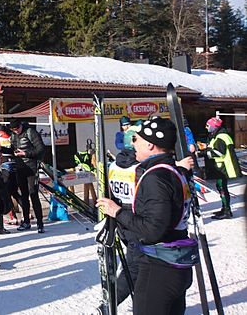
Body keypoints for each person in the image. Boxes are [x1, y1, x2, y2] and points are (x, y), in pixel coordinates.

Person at [98, 117, 195, 314]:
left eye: (136, 139)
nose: (133, 145)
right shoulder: (172, 171)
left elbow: (152, 229)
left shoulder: (156, 177)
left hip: (159, 267)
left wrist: (116, 212)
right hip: (176, 262)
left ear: (150, 144)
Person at [8, 119, 46, 233]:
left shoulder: (31, 132)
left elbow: (41, 149)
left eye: (17, 129)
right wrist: (3, 149)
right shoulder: (14, 136)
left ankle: (40, 223)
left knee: (33, 194)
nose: (16, 131)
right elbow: (12, 149)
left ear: (21, 125)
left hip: (31, 168)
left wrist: (26, 154)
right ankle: (26, 221)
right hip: (20, 168)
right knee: (24, 196)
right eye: (13, 130)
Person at [204, 117, 239, 219]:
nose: (206, 128)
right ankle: (225, 208)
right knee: (221, 187)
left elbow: (219, 152)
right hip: (220, 167)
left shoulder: (221, 137)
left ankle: (227, 211)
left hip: (224, 167)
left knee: (222, 188)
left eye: (208, 125)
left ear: (214, 126)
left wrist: (205, 152)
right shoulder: (217, 135)